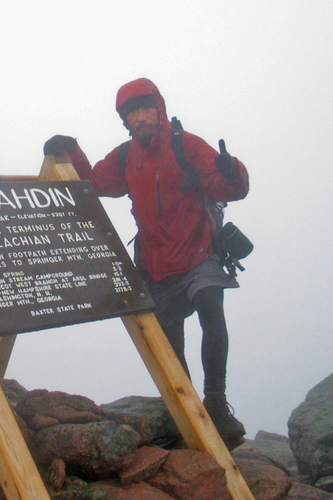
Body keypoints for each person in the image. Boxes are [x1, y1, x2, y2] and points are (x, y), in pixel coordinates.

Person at [43, 77, 250, 449]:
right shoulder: (126, 156)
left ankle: (216, 403)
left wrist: (232, 171)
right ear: (126, 120)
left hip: (198, 254)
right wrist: (70, 150)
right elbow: (92, 181)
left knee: (210, 307)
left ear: (160, 109)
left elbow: (226, 188)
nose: (140, 117)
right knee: (170, 348)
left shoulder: (186, 145)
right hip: (157, 268)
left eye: (145, 108)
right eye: (132, 113)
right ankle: (190, 413)